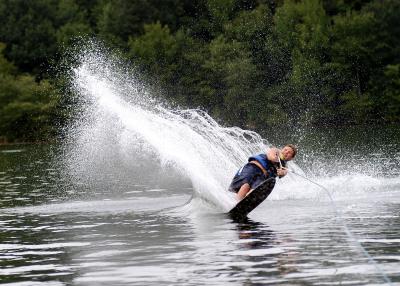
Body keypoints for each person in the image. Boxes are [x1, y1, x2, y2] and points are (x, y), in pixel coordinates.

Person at [229, 144, 297, 200]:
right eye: (285, 150)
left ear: (291, 158)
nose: (286, 152)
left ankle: (243, 204)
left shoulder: (284, 167)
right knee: (245, 186)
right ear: (282, 149)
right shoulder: (275, 151)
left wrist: (283, 172)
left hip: (262, 176)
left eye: (289, 153)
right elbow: (271, 157)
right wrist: (277, 158)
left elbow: (283, 173)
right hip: (251, 168)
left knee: (255, 190)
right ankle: (236, 203)